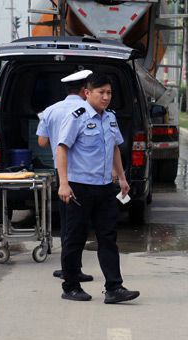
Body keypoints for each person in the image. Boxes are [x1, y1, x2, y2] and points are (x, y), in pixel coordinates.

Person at [56, 73, 140, 303]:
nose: (105, 97)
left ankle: (114, 288)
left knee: (108, 238)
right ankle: (71, 286)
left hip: (104, 188)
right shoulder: (77, 117)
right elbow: (61, 149)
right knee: (75, 238)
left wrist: (121, 178)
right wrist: (63, 183)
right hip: (78, 188)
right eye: (101, 92)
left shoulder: (110, 118)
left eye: (109, 93)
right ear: (87, 93)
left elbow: (114, 148)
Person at [36, 70, 94, 283]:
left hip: (62, 176)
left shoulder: (50, 110)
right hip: (83, 175)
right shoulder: (87, 110)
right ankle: (71, 270)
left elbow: (42, 142)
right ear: (83, 90)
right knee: (78, 227)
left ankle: (69, 268)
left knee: (68, 224)